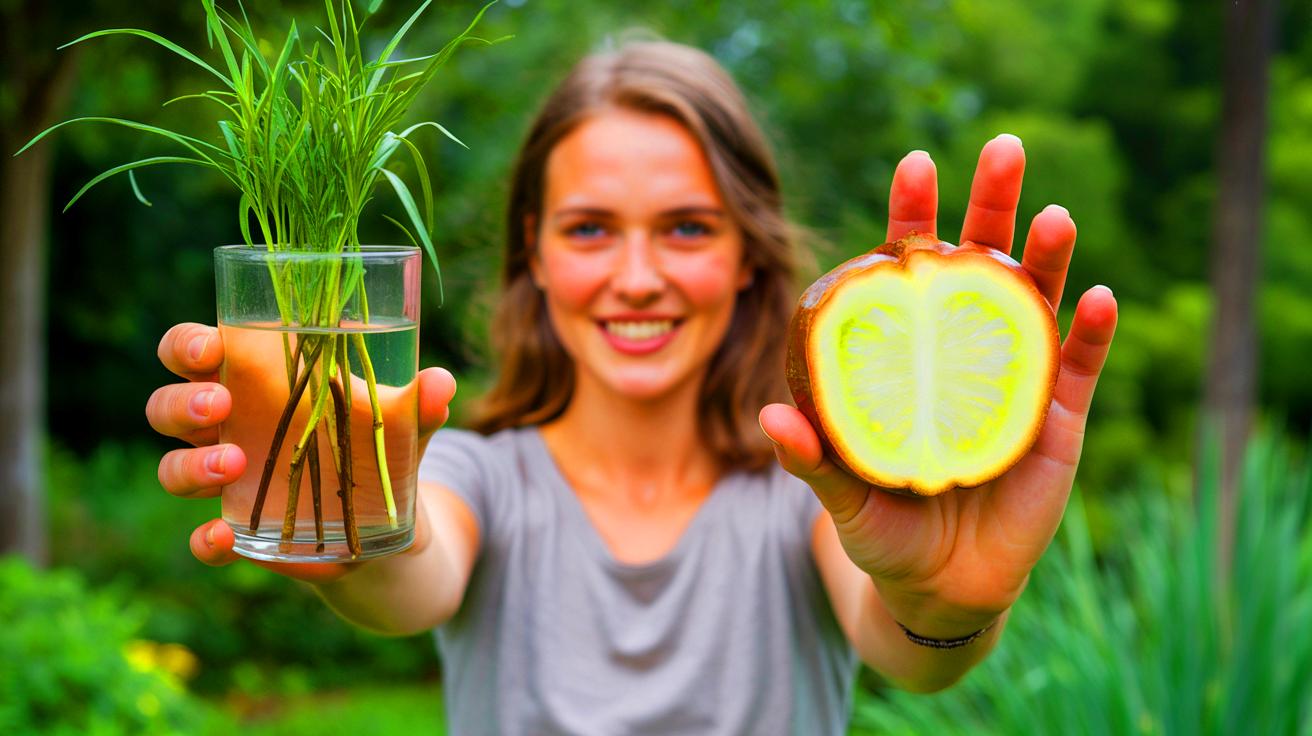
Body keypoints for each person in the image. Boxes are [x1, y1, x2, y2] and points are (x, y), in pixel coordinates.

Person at [146, 40, 1118, 735]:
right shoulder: (482, 478)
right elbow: (412, 573)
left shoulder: (815, 490)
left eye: (689, 227)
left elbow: (902, 639)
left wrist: (944, 602)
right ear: (532, 248)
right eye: (589, 228)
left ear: (747, 251)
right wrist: (349, 533)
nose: (639, 274)